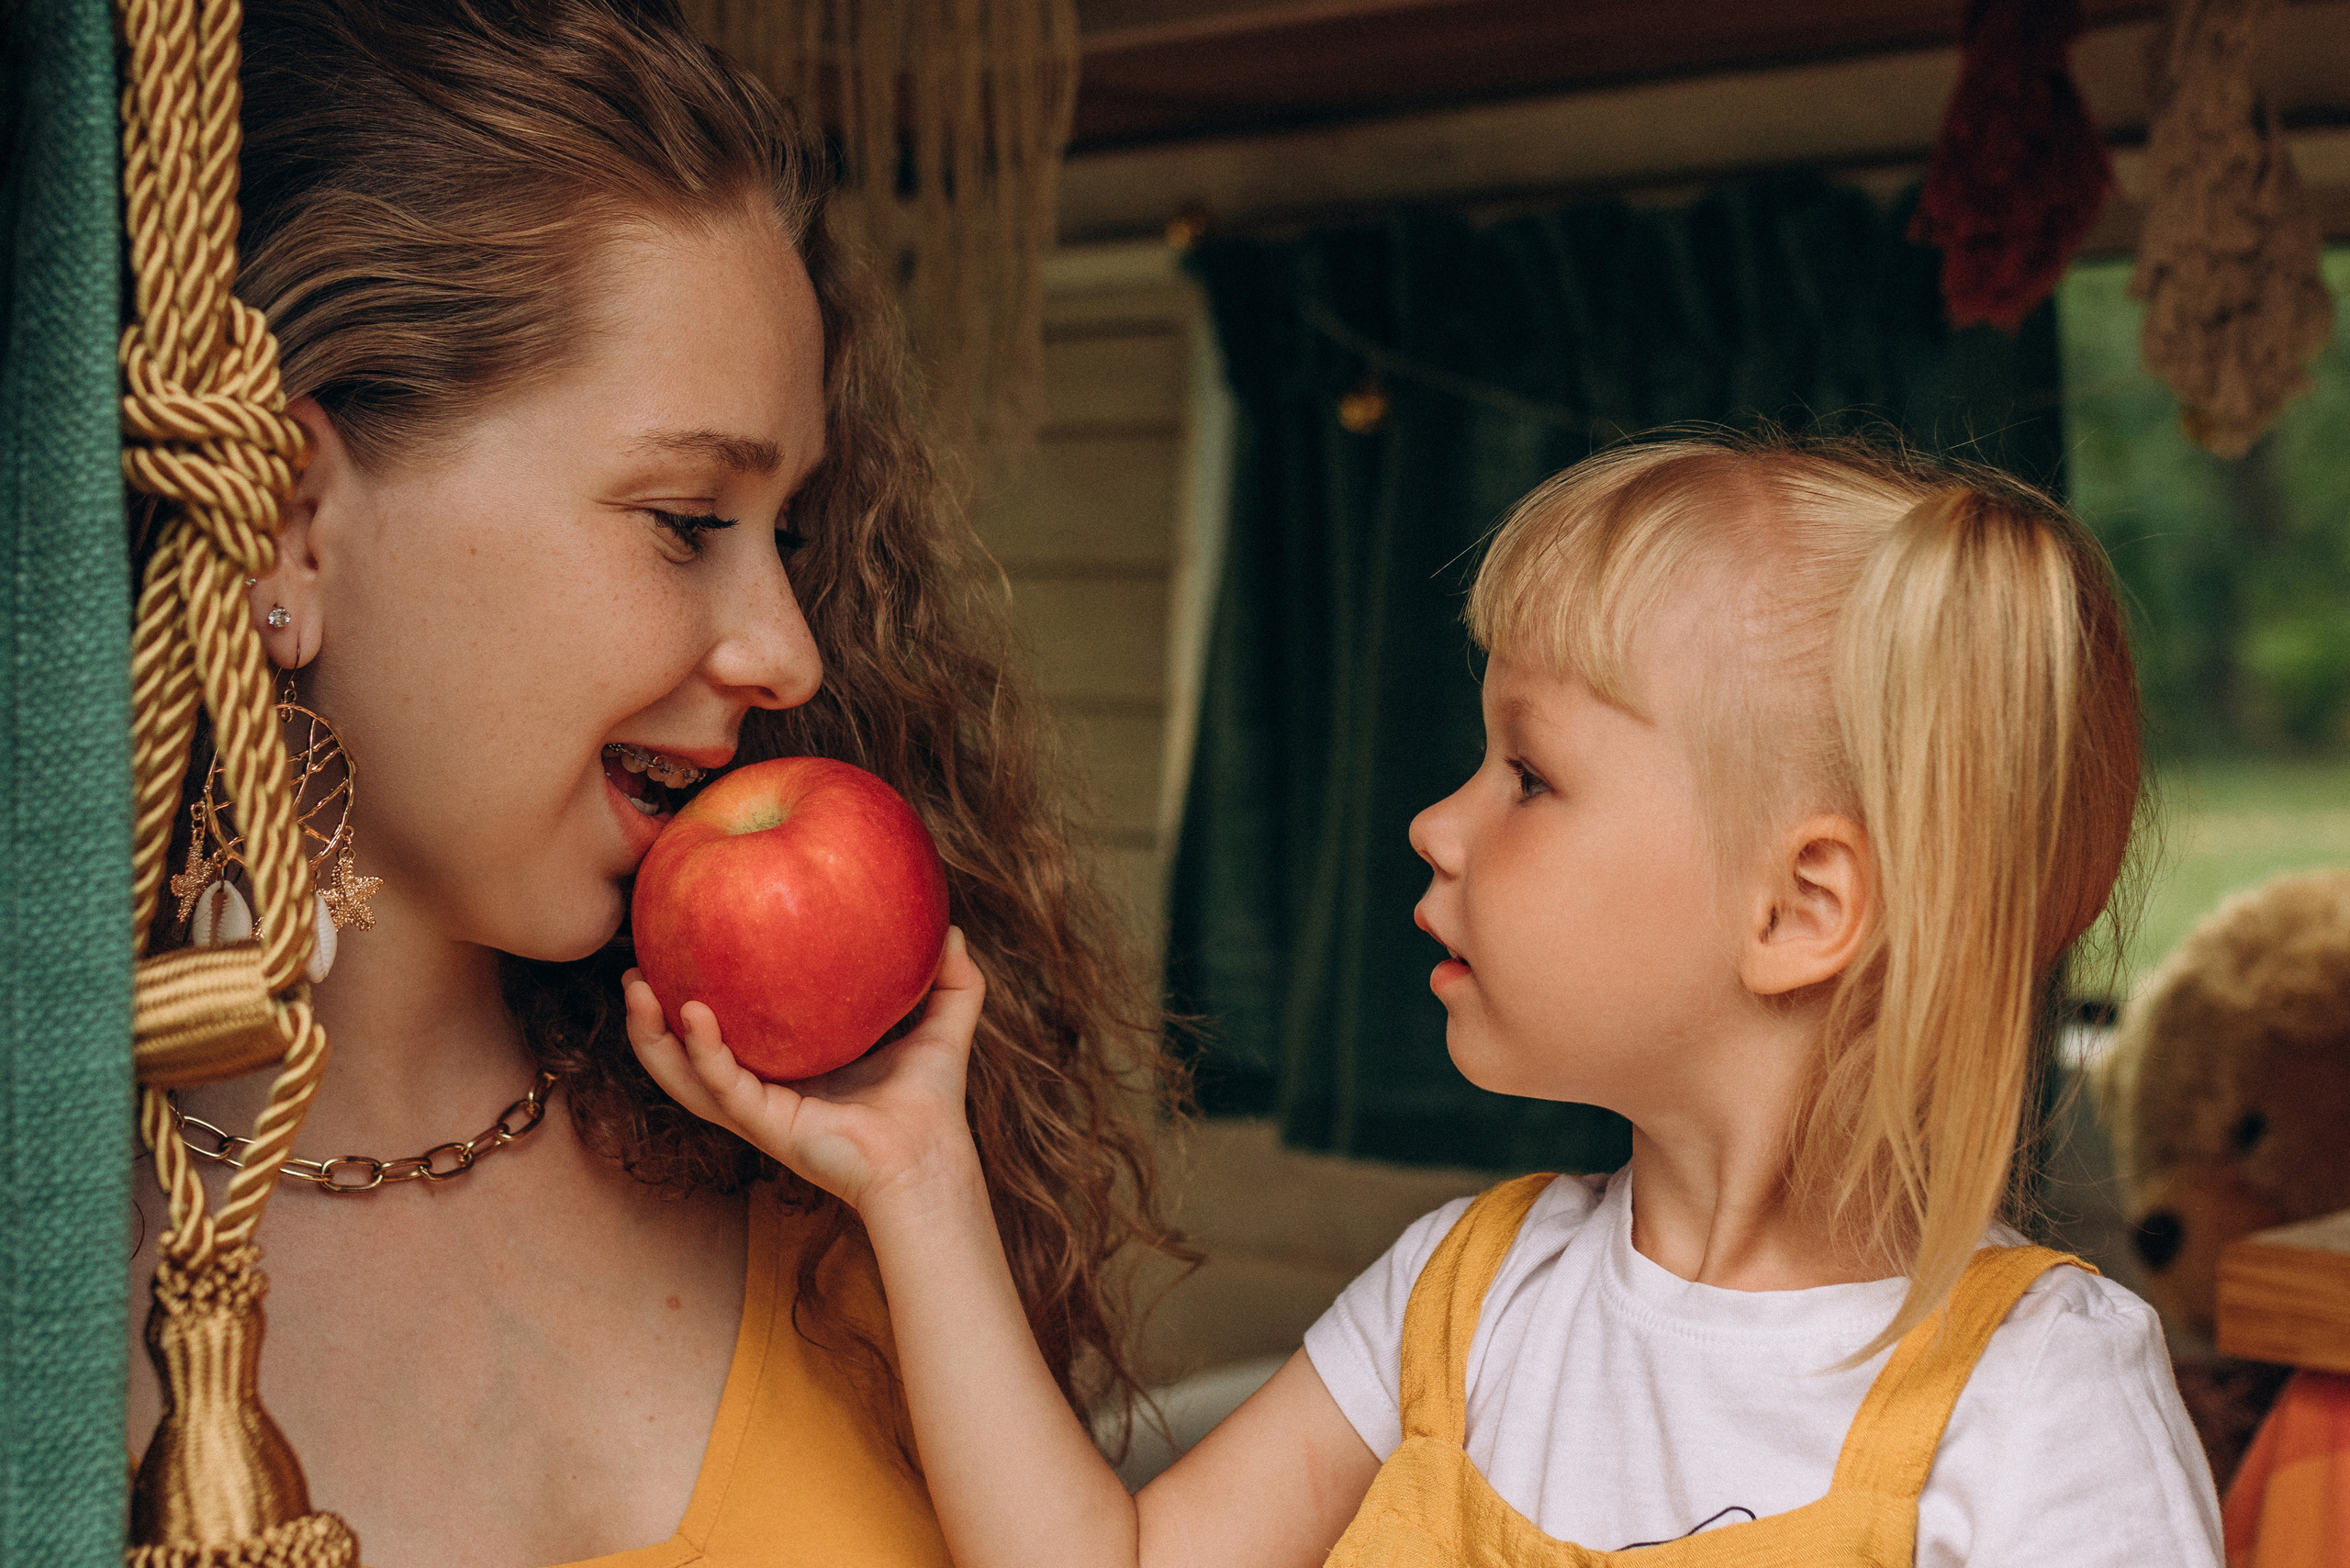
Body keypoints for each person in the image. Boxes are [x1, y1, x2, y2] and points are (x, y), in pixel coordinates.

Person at [636, 433, 2225, 1566]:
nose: (1437, 822)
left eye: (1529, 774)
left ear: (1800, 909)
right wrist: (919, 1179)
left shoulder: (2038, 1405)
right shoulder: (1461, 1301)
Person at [128, 3, 1184, 1564]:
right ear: (288, 517)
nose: (791, 653)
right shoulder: (62, 1267)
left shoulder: (834, 1177)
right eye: (688, 521)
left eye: (792, 536)